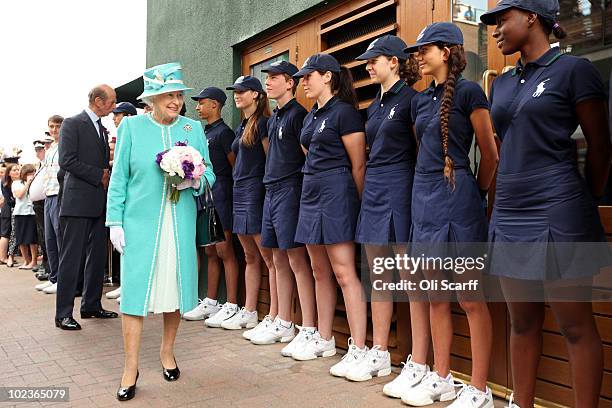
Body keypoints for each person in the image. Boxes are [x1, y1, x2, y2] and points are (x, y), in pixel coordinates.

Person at [480, 1, 611, 407]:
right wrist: (494, 209)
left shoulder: (574, 71)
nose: (496, 30)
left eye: (503, 20)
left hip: (559, 208)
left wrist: (579, 200)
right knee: (522, 322)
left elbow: (602, 149)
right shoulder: (500, 83)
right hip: (510, 211)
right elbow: (502, 153)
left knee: (575, 326)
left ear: (532, 17)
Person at [400, 23, 499, 407]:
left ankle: (479, 389)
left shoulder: (471, 92)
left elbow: (490, 155)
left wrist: (475, 193)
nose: (419, 55)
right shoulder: (419, 100)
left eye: (425, 49)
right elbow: (420, 150)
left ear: (447, 52)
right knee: (435, 295)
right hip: (423, 199)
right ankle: (441, 379)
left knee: (470, 298)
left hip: (459, 201)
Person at [107, 62, 215, 401]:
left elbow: (210, 175)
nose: (177, 102)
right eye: (169, 95)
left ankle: (167, 351)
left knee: (175, 291)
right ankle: (130, 367)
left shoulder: (193, 129)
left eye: (179, 95)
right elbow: (119, 178)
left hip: (179, 224)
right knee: (135, 297)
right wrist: (115, 220)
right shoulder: (132, 129)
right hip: (140, 226)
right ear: (151, 99)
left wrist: (193, 178)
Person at [345, 35, 425, 385]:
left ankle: (418, 363)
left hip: (401, 187)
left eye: (374, 60)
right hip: (375, 189)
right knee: (377, 274)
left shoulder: (412, 100)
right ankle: (378, 352)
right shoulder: (374, 105)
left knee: (409, 279)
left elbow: (423, 150)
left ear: (394, 61)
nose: (368, 66)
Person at [291, 54, 368, 377]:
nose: (304, 82)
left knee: (343, 271)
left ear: (328, 77)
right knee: (318, 269)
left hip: (337, 193)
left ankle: (360, 348)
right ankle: (324, 338)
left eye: (309, 76)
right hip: (310, 192)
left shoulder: (346, 113)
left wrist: (359, 205)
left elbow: (358, 164)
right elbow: (309, 151)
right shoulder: (311, 116)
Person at [251, 61, 317, 350]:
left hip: (291, 189)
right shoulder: (273, 117)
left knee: (296, 259)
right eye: (267, 77)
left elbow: (307, 156)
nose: (269, 82)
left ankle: (309, 326)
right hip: (271, 189)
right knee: (276, 258)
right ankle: (282, 321)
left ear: (290, 83)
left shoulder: (298, 115)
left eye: (275, 77)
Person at [55, 84, 118, 331]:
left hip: (98, 202)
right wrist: (99, 175)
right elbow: (67, 160)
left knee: (98, 256)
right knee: (72, 258)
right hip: (77, 202)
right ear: (99, 101)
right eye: (112, 102)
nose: (114, 107)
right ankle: (63, 314)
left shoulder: (102, 129)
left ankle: (91, 305)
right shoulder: (73, 123)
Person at [221, 75, 277, 333]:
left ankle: (274, 314)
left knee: (267, 256)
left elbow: (270, 159)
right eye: (235, 91)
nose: (237, 95)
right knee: (249, 255)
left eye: (242, 91)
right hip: (239, 190)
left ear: (256, 94)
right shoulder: (241, 125)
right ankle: (249, 310)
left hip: (256, 190)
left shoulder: (264, 123)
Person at [184, 87, 241, 325]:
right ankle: (210, 301)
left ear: (215, 105)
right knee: (210, 250)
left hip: (222, 197)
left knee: (224, 250)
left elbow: (234, 166)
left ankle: (232, 303)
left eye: (202, 103)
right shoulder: (203, 132)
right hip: (204, 197)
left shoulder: (224, 133)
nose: (197, 107)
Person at [104, 103, 137, 302]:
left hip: (135, 202)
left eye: (118, 115)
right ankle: (125, 285)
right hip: (120, 200)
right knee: (124, 246)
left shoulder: (134, 134)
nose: (115, 118)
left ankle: (129, 286)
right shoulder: (119, 137)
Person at [36, 115, 64, 292]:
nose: (54, 130)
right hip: (48, 196)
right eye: (51, 126)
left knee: (60, 238)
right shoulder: (51, 147)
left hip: (59, 195)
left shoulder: (65, 144)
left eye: (57, 126)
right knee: (49, 239)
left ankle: (62, 279)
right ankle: (54, 277)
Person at [12, 164, 38, 270]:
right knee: (21, 239)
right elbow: (19, 195)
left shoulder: (35, 183)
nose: (31, 175)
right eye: (28, 173)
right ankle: (26, 260)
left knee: (32, 238)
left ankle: (34, 261)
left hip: (31, 213)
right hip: (20, 213)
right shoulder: (16, 183)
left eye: (32, 173)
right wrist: (27, 183)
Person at [1, 162, 19, 267]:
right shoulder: (6, 183)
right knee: (5, 234)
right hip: (8, 210)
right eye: (14, 170)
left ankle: (3, 257)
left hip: (7, 209)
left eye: (18, 169)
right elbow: (10, 200)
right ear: (9, 173)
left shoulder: (6, 182)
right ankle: (3, 257)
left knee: (6, 234)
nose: (17, 171)